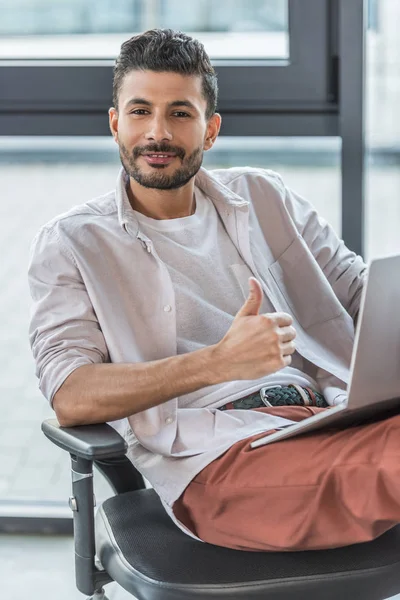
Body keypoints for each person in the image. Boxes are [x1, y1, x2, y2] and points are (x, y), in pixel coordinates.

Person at [28, 29, 400, 553]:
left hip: (325, 420)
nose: (157, 133)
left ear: (210, 130)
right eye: (139, 112)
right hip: (221, 459)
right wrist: (219, 362)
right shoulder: (72, 243)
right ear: (115, 123)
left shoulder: (265, 197)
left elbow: (365, 296)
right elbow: (71, 396)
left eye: (180, 113)